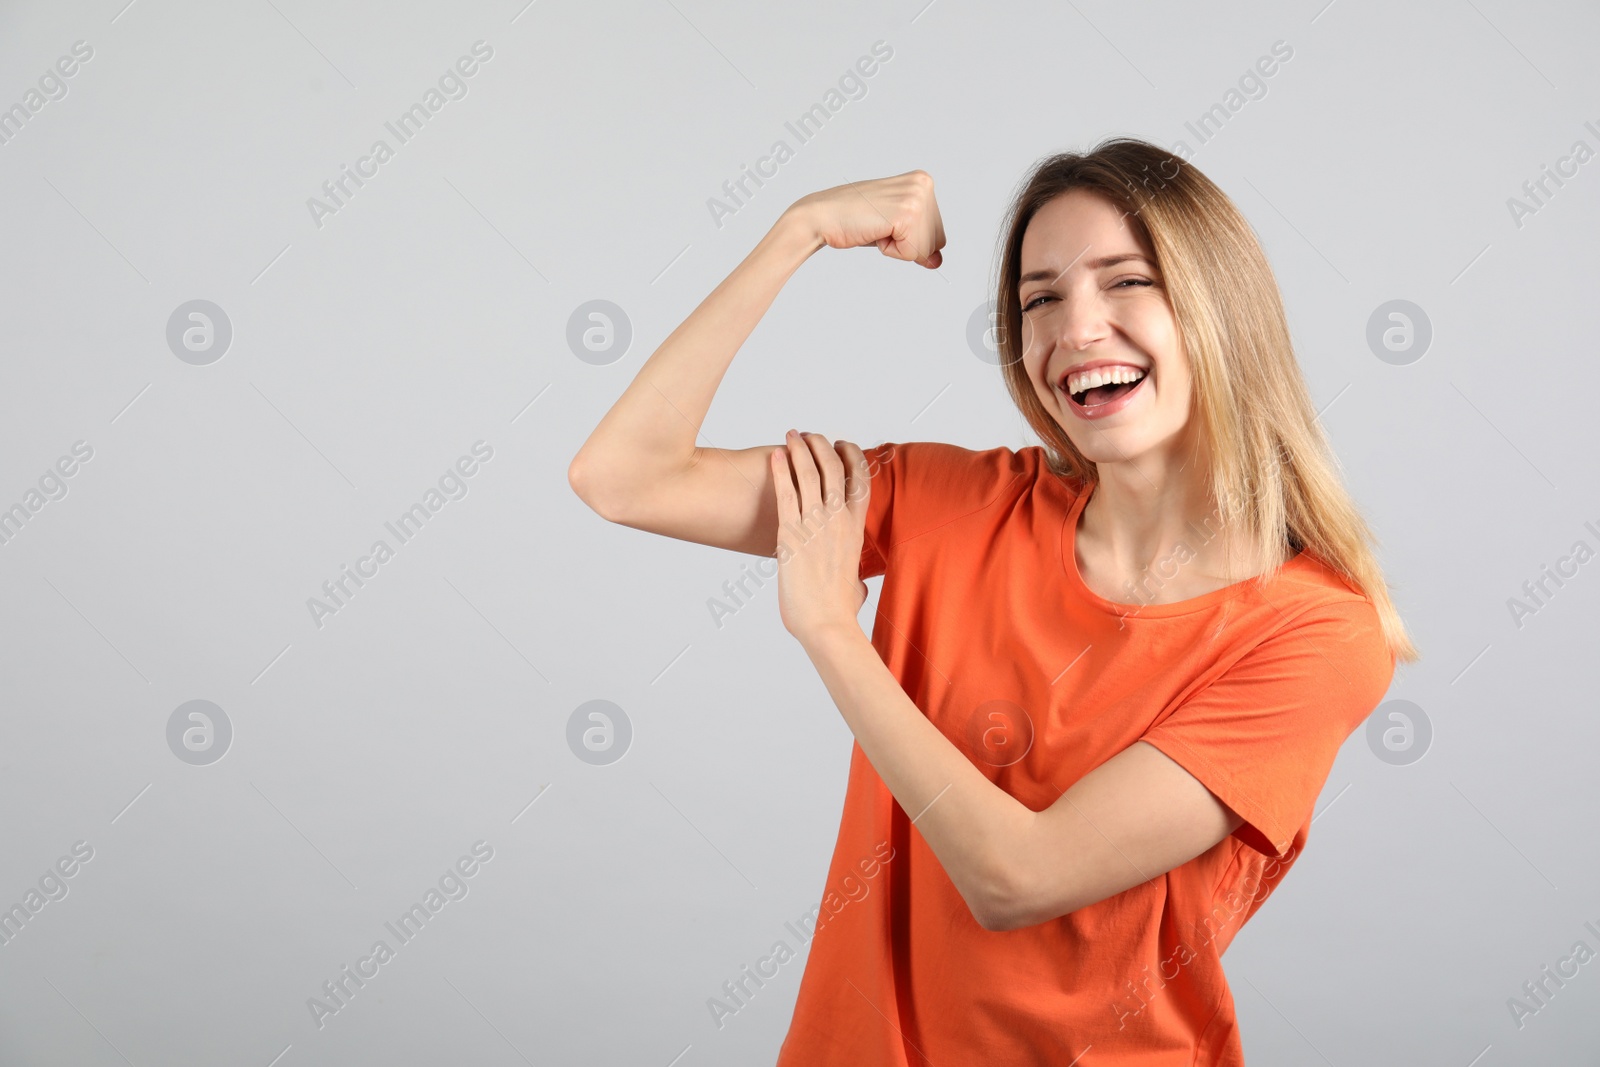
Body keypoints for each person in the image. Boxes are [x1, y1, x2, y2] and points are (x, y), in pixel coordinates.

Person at [568, 137, 1419, 1066]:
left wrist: (827, 631)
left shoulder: (1317, 632)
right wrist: (798, 231)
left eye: (1126, 281)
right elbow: (624, 475)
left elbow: (1018, 877)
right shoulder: (950, 504)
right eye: (1040, 299)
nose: (1075, 329)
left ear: (1222, 308)